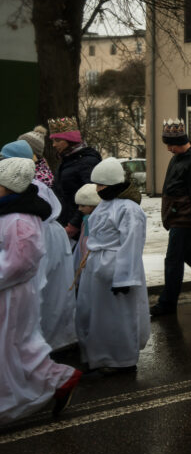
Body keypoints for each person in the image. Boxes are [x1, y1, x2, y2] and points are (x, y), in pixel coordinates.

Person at [0, 158, 82, 424]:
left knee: (14, 345)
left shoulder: (19, 219)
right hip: (9, 291)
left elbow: (19, 263)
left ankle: (58, 379)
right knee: (12, 346)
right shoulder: (10, 214)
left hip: (13, 294)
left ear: (9, 187)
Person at [76, 158, 149, 374]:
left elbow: (132, 244)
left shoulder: (129, 210)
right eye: (96, 185)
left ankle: (121, 359)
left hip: (116, 267)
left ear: (114, 184)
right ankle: (99, 356)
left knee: (118, 315)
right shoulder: (105, 205)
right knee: (97, 314)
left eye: (102, 185)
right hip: (97, 268)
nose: (98, 190)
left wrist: (124, 278)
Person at [1, 140, 77, 349]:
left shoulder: (33, 188)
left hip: (44, 239)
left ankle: (51, 342)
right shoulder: (32, 186)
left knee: (47, 291)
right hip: (44, 237)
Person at [150, 119, 191, 317]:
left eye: (171, 144)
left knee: (173, 260)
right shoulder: (178, 158)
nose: (169, 149)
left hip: (185, 220)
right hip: (177, 217)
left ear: (180, 141)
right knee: (187, 255)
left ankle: (167, 304)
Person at [47, 116, 101, 242]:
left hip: (80, 227)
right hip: (64, 224)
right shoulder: (66, 160)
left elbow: (91, 197)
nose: (54, 145)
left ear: (69, 140)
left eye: (57, 140)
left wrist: (74, 225)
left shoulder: (87, 162)